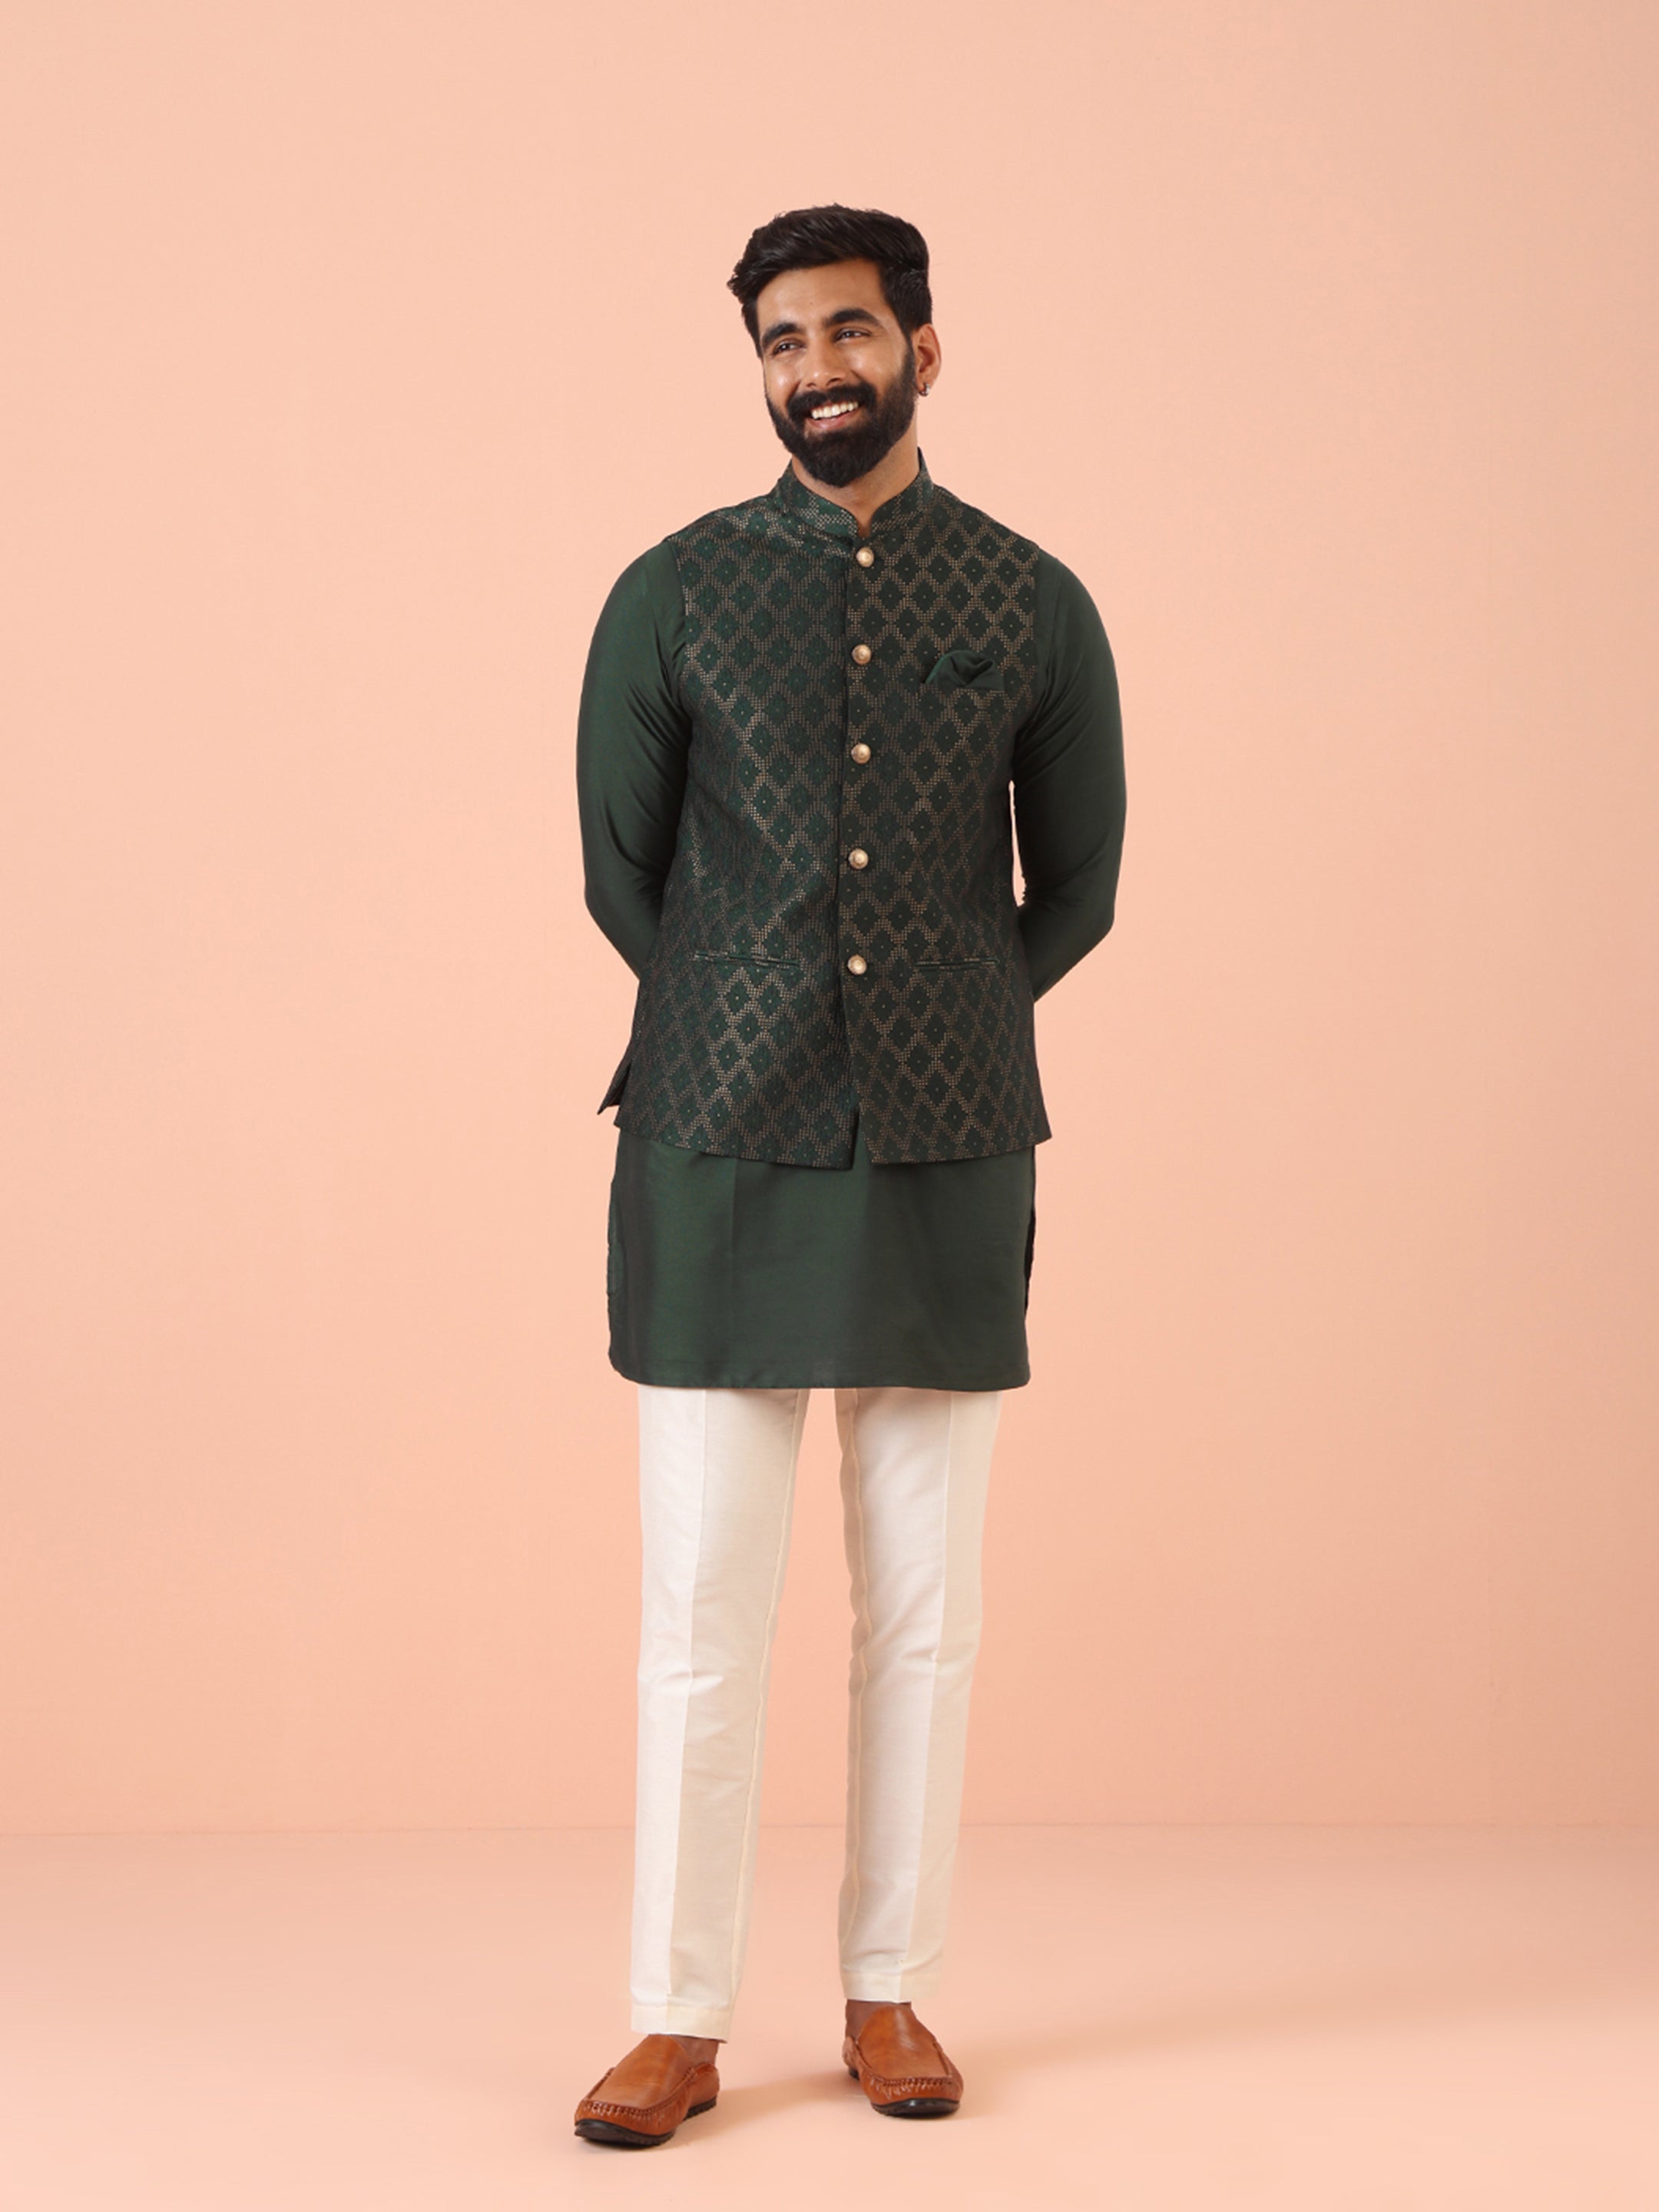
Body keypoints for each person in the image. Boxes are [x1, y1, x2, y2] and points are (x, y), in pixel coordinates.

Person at [571, 204, 1126, 2147]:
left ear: (923, 350)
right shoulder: (673, 592)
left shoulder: (1032, 599)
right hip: (717, 1147)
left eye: (851, 332)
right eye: (784, 341)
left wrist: (940, 1015)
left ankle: (891, 1992)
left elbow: (1079, 887)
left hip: (948, 1147)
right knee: (701, 1612)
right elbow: (621, 876)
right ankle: (676, 2020)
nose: (818, 368)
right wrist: (757, 1009)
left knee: (927, 1611)